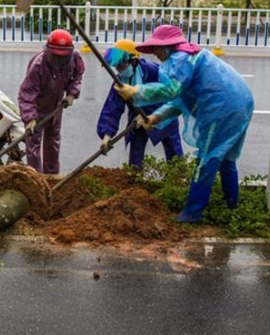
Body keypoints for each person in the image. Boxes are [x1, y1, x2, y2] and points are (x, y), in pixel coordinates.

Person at [114, 25, 254, 223]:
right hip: (241, 104)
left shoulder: (180, 60)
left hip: (221, 109)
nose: (155, 54)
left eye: (156, 49)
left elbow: (171, 91)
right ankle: (232, 207)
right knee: (227, 158)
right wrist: (156, 117)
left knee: (205, 160)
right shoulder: (192, 56)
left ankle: (192, 213)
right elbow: (179, 101)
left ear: (166, 47)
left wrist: (136, 92)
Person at [97, 38, 183, 167]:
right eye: (117, 66)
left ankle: (178, 178)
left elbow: (168, 95)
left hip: (163, 115)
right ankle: (134, 180)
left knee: (173, 151)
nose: (119, 69)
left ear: (134, 61)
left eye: (122, 65)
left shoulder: (153, 71)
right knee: (136, 153)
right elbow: (112, 108)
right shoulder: (120, 81)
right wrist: (106, 136)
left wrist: (149, 115)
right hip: (136, 116)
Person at [18, 29, 85, 175]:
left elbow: (78, 74)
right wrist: (30, 119)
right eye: (56, 57)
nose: (59, 61)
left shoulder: (74, 58)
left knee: (53, 141)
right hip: (37, 107)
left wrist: (72, 93)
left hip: (56, 107)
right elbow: (27, 93)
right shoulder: (38, 65)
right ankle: (36, 178)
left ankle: (51, 175)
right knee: (34, 143)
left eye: (63, 57)